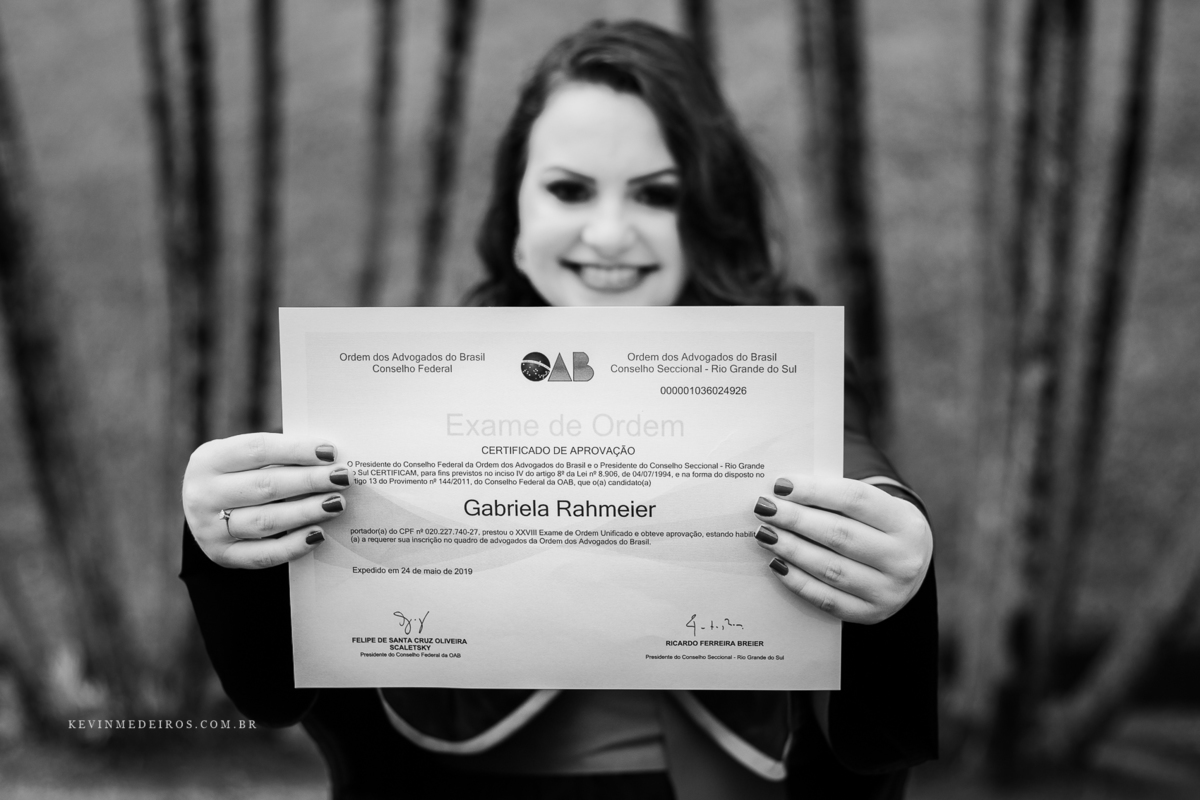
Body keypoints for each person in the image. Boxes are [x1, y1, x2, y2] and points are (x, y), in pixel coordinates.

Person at [180, 20, 937, 800]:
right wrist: (228, 530)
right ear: (517, 216)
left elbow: (846, 457)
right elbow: (285, 664)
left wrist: (886, 529)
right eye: (570, 189)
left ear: (706, 208)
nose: (609, 234)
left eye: (657, 194)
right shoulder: (418, 384)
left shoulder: (782, 360)